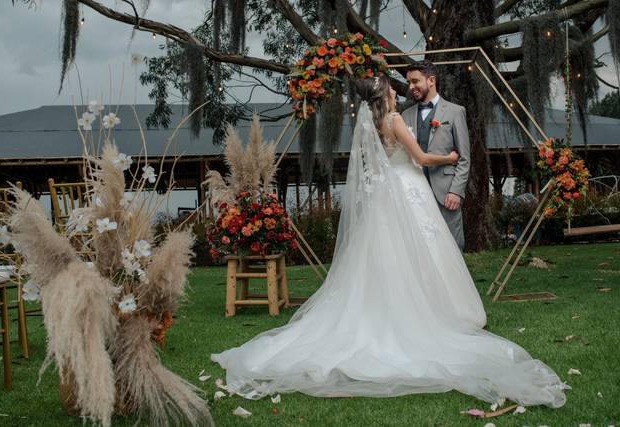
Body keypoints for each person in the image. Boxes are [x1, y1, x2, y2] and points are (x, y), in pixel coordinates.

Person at [210, 74, 567, 409]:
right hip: (408, 190)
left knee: (386, 256)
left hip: (387, 193)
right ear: (385, 95)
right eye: (393, 89)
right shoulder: (394, 120)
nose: (398, 91)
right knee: (416, 252)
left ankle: (396, 305)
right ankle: (427, 312)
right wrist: (451, 157)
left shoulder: (373, 124)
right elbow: (422, 158)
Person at [402, 60, 469, 250]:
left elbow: (464, 157)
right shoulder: (405, 115)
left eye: (415, 81)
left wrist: (456, 191)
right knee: (420, 248)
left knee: (452, 247)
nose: (411, 87)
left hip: (446, 194)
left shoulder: (455, 112)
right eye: (409, 83)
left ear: (431, 80)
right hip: (415, 194)